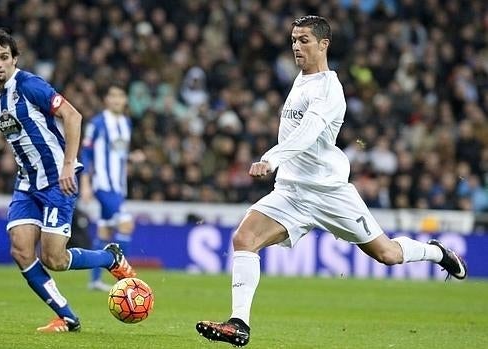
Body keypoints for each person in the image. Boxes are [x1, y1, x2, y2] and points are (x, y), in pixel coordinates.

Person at [195, 15, 468, 347]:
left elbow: (309, 134)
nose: (296, 46)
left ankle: (437, 253)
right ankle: (239, 324)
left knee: (388, 254)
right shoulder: (302, 79)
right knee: (244, 238)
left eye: (304, 40)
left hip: (328, 192)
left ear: (324, 44)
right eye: (294, 40)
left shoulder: (329, 89)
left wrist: (272, 157)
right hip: (292, 191)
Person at [0, 28, 136, 332]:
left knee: (55, 258)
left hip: (58, 179)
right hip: (27, 184)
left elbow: (73, 116)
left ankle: (110, 257)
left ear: (15, 59)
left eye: (5, 57)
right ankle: (67, 316)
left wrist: (69, 165)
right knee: (20, 250)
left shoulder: (30, 85)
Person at [79, 82, 135, 291]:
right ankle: (124, 280)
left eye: (120, 96)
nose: (117, 100)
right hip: (103, 184)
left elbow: (118, 152)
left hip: (119, 185)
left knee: (104, 231)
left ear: (125, 100)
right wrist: (85, 183)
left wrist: (132, 157)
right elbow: (86, 152)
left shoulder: (127, 123)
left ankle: (94, 281)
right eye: (112, 96)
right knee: (126, 224)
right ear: (106, 100)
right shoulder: (98, 122)